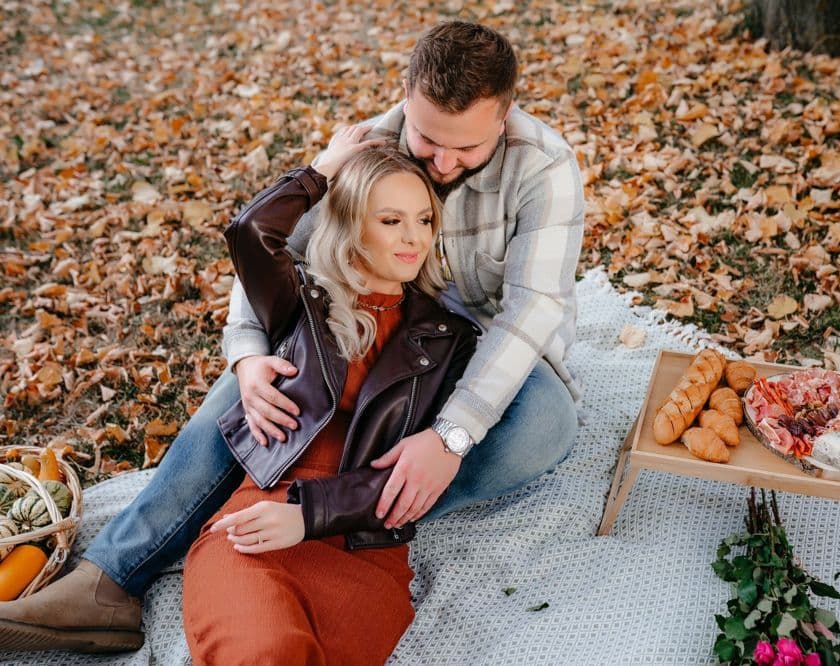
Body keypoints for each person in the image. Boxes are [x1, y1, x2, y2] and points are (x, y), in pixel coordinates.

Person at [0, 20, 584, 653]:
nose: (440, 165)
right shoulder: (373, 143)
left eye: (464, 150)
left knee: (545, 422)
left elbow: (531, 311)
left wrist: (452, 435)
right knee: (252, 393)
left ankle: (355, 513)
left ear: (503, 119)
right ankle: (110, 580)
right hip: (370, 328)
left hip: (471, 351)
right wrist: (248, 358)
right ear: (408, 97)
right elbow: (274, 253)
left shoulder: (544, 165)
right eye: (426, 140)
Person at [181, 138, 477, 663]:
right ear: (351, 223)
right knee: (267, 651)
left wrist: (309, 515)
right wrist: (321, 172)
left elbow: (415, 474)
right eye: (390, 221)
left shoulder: (448, 339)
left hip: (362, 548)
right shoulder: (301, 301)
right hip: (258, 523)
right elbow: (252, 233)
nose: (414, 238)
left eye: (425, 220)